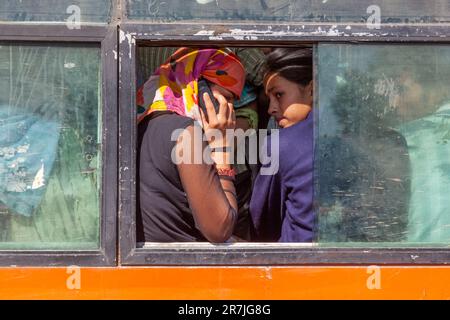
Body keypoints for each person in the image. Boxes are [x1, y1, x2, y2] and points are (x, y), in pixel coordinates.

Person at [136, 47, 246, 243]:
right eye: (226, 98)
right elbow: (220, 229)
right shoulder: (186, 132)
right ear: (198, 89)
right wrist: (221, 149)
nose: (230, 112)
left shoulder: (145, 125)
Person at [249, 48, 315, 242]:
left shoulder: (280, 145)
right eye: (268, 99)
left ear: (312, 90)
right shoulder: (355, 134)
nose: (271, 109)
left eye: (279, 95)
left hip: (293, 265)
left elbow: (261, 220)